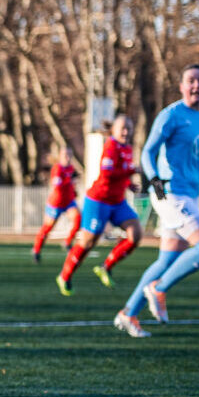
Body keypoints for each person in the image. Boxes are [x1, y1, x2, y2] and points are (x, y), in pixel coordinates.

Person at [114, 64, 199, 338]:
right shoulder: (171, 116)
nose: (196, 86)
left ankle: (128, 313)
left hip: (187, 194)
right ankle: (158, 288)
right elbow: (148, 153)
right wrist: (154, 180)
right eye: (191, 81)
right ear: (181, 85)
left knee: (166, 260)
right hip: (169, 193)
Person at [55, 115, 142, 296]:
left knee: (136, 234)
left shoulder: (128, 149)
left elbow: (121, 174)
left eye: (129, 128)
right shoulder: (110, 146)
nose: (126, 132)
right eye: (123, 128)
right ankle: (65, 275)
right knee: (88, 241)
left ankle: (106, 266)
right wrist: (132, 171)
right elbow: (107, 174)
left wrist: (128, 184)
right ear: (114, 130)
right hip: (99, 200)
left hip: (117, 202)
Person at [31, 146, 81, 262]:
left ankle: (67, 242)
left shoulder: (71, 168)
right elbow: (57, 186)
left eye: (69, 155)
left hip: (69, 202)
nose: (68, 157)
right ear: (60, 156)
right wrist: (70, 181)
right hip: (56, 203)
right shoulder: (57, 169)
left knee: (78, 219)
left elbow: (71, 184)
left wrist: (74, 191)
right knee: (48, 228)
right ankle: (37, 250)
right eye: (65, 155)